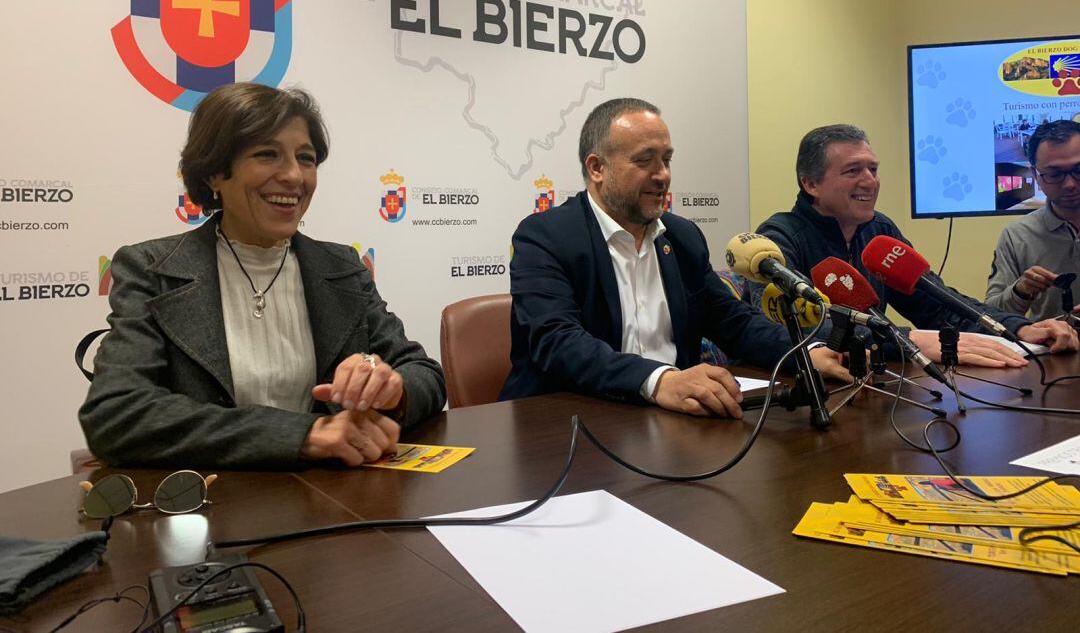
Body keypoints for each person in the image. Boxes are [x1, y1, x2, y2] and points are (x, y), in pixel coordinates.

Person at [79, 83, 445, 469]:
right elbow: (116, 414)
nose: (293, 176)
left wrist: (393, 390)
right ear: (215, 173)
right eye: (267, 154)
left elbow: (426, 376)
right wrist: (303, 434)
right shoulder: (151, 268)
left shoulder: (341, 266)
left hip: (339, 499)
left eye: (306, 158)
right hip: (209, 507)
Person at [500, 98, 848, 419]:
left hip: (670, 422)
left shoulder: (680, 237)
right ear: (597, 168)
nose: (663, 175)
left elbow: (732, 320)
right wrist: (659, 380)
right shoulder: (544, 237)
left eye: (666, 159)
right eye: (644, 160)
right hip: (566, 425)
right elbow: (558, 343)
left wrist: (806, 351)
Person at [751, 124, 1077, 367]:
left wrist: (1017, 328)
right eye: (853, 171)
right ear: (810, 184)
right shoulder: (778, 239)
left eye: (873, 169)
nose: (870, 181)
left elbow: (938, 304)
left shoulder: (879, 230)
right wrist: (904, 340)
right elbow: (790, 329)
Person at [986, 119, 1080, 322]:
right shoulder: (1017, 235)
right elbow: (991, 316)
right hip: (1050, 350)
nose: (1070, 184)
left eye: (1078, 170)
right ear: (1035, 176)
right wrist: (1021, 290)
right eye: (1055, 174)